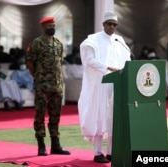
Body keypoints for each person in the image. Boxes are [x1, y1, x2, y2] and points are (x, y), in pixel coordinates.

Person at [78, 11, 131, 163]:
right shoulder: (93, 40)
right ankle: (97, 153)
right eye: (109, 24)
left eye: (115, 24)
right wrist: (109, 68)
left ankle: (111, 152)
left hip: (117, 85)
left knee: (114, 119)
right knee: (100, 118)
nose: (112, 27)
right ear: (103, 24)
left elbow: (127, 59)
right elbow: (89, 60)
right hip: (100, 85)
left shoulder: (119, 40)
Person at [26, 16, 70, 156]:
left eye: (53, 25)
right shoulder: (37, 43)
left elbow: (59, 64)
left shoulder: (58, 44)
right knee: (40, 116)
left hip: (56, 86)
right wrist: (38, 78)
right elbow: (30, 63)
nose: (52, 27)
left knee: (55, 116)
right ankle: (41, 145)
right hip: (42, 86)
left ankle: (55, 145)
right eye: (49, 25)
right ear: (43, 27)